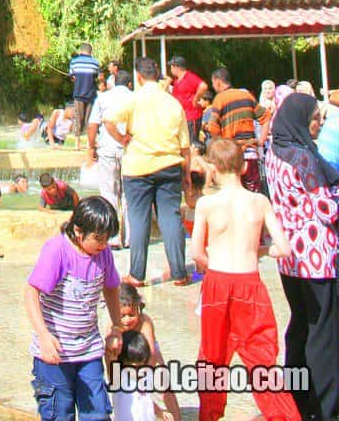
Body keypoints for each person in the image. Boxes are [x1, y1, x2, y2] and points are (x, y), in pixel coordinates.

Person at [191, 137, 299, 421]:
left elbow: (197, 253)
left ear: (212, 168)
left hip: (217, 281)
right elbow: (284, 249)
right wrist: (261, 249)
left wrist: (212, 266)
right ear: (242, 167)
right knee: (263, 359)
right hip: (250, 283)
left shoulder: (206, 204)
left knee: (213, 358)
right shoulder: (259, 201)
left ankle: (210, 416)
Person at [265, 92, 339, 421]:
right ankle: (326, 406)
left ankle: (298, 397)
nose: (320, 125)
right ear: (299, 119)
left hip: (289, 258)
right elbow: (328, 209)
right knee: (324, 333)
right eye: (315, 119)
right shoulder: (304, 158)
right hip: (317, 258)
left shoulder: (275, 152)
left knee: (300, 328)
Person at [25, 195, 123, 421]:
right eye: (98, 238)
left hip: (88, 351)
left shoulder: (103, 254)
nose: (103, 244)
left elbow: (111, 288)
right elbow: (31, 293)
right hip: (54, 356)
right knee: (59, 414)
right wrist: (43, 336)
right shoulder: (57, 251)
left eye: (107, 239)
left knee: (97, 414)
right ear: (78, 231)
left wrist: (116, 327)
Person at [105, 56, 192, 286]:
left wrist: (122, 138)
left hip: (137, 168)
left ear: (139, 77)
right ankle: (179, 273)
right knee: (170, 217)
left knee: (139, 218)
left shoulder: (133, 100)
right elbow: (185, 146)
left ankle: (136, 274)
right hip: (170, 165)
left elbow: (108, 120)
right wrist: (187, 174)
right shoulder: (173, 103)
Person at [114, 285, 180, 421]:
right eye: (122, 316)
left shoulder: (145, 322)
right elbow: (110, 356)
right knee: (124, 390)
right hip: (127, 356)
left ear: (138, 309)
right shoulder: (114, 324)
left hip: (148, 354)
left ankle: (176, 417)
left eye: (131, 315)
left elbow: (152, 352)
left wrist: (144, 375)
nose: (127, 320)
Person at [87, 69, 133, 247]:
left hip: (107, 149)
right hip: (129, 150)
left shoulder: (103, 98)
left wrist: (91, 146)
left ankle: (113, 238)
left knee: (109, 193)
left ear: (113, 82)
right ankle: (130, 238)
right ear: (130, 84)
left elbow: (93, 125)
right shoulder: (135, 98)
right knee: (128, 195)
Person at [208, 67, 268, 193]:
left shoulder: (219, 99)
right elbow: (266, 116)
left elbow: (213, 127)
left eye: (213, 83)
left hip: (232, 156)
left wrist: (220, 146)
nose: (213, 86)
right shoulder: (246, 95)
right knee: (253, 193)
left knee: (234, 194)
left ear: (218, 81)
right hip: (250, 154)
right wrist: (261, 140)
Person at [167, 55, 208, 141]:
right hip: (183, 117)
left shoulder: (189, 77)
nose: (170, 69)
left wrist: (196, 99)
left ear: (176, 67)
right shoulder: (177, 80)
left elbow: (203, 86)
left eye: (171, 66)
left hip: (191, 116)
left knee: (192, 143)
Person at [68, 43, 101, 143]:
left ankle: (77, 144)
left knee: (78, 118)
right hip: (91, 95)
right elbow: (96, 78)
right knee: (89, 119)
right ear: (91, 52)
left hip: (78, 94)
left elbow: (72, 77)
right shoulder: (95, 63)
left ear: (81, 51)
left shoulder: (74, 62)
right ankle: (88, 143)